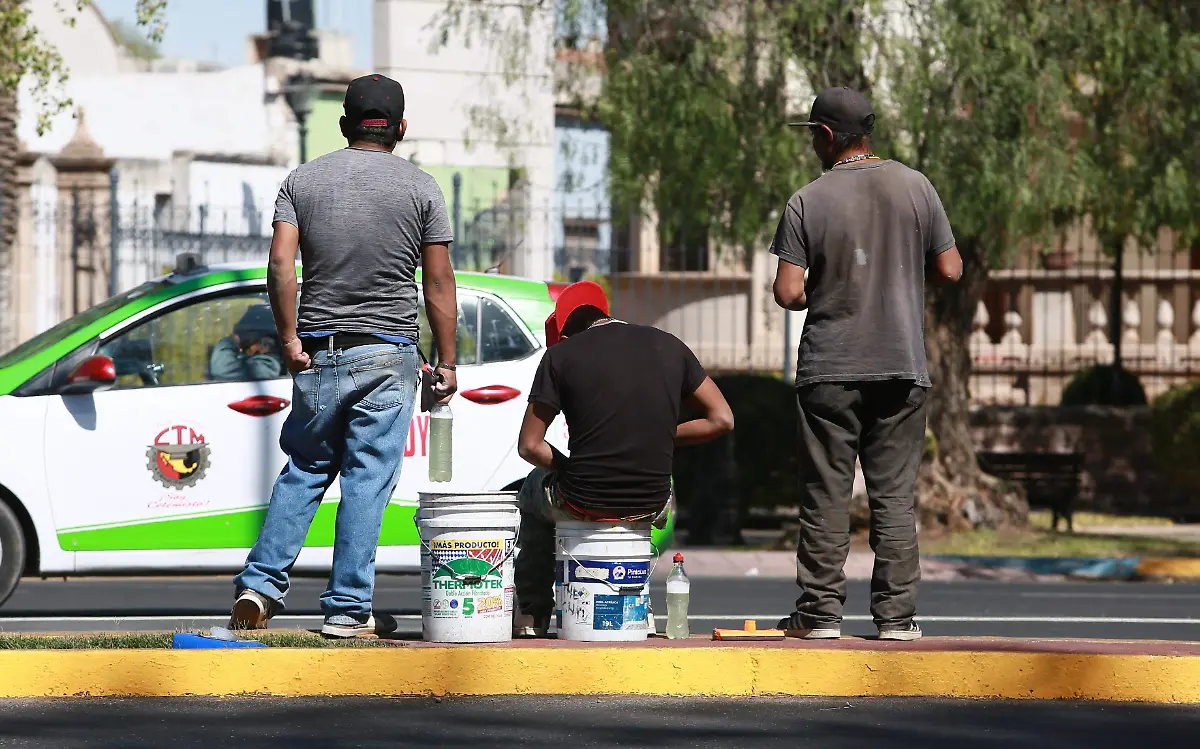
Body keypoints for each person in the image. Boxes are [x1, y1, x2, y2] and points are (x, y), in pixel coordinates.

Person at [229, 73, 459, 639]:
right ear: (400, 128)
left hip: (320, 353)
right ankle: (347, 609)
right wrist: (448, 361)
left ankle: (260, 586)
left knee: (305, 469)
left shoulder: (302, 182)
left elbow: (281, 266)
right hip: (388, 355)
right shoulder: (422, 188)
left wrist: (289, 340)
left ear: (343, 124)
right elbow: (437, 282)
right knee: (366, 480)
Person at [770, 87, 963, 642]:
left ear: (828, 136)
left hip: (830, 368)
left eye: (813, 135)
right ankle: (897, 618)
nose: (812, 145)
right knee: (894, 496)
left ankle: (819, 614)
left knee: (826, 494)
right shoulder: (916, 186)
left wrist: (829, 287)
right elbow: (951, 269)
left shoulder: (807, 200)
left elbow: (788, 291)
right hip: (901, 364)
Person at [512, 281, 735, 635]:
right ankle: (640, 606)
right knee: (640, 506)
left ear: (564, 336)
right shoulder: (670, 345)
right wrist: (661, 435)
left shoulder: (560, 356)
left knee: (531, 489)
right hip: (652, 500)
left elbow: (529, 446)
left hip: (584, 498)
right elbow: (722, 419)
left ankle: (532, 612)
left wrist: (570, 468)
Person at [209, 305, 284, 381]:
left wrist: (231, 340)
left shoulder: (268, 365)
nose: (241, 349)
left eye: (246, 343)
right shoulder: (253, 359)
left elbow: (222, 368)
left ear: (266, 343)